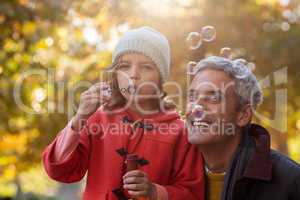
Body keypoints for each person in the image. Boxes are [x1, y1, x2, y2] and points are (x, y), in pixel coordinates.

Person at [42, 26, 204, 200]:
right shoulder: (98, 118)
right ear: (116, 74)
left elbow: (192, 193)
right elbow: (59, 169)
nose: (134, 75)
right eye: (125, 66)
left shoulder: (180, 131)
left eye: (146, 67)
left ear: (160, 77)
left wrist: (155, 191)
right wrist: (79, 118)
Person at [186, 55, 300, 200]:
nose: (196, 107)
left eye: (214, 98)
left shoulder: (290, 182)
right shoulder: (171, 171)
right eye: (191, 97)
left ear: (243, 115)